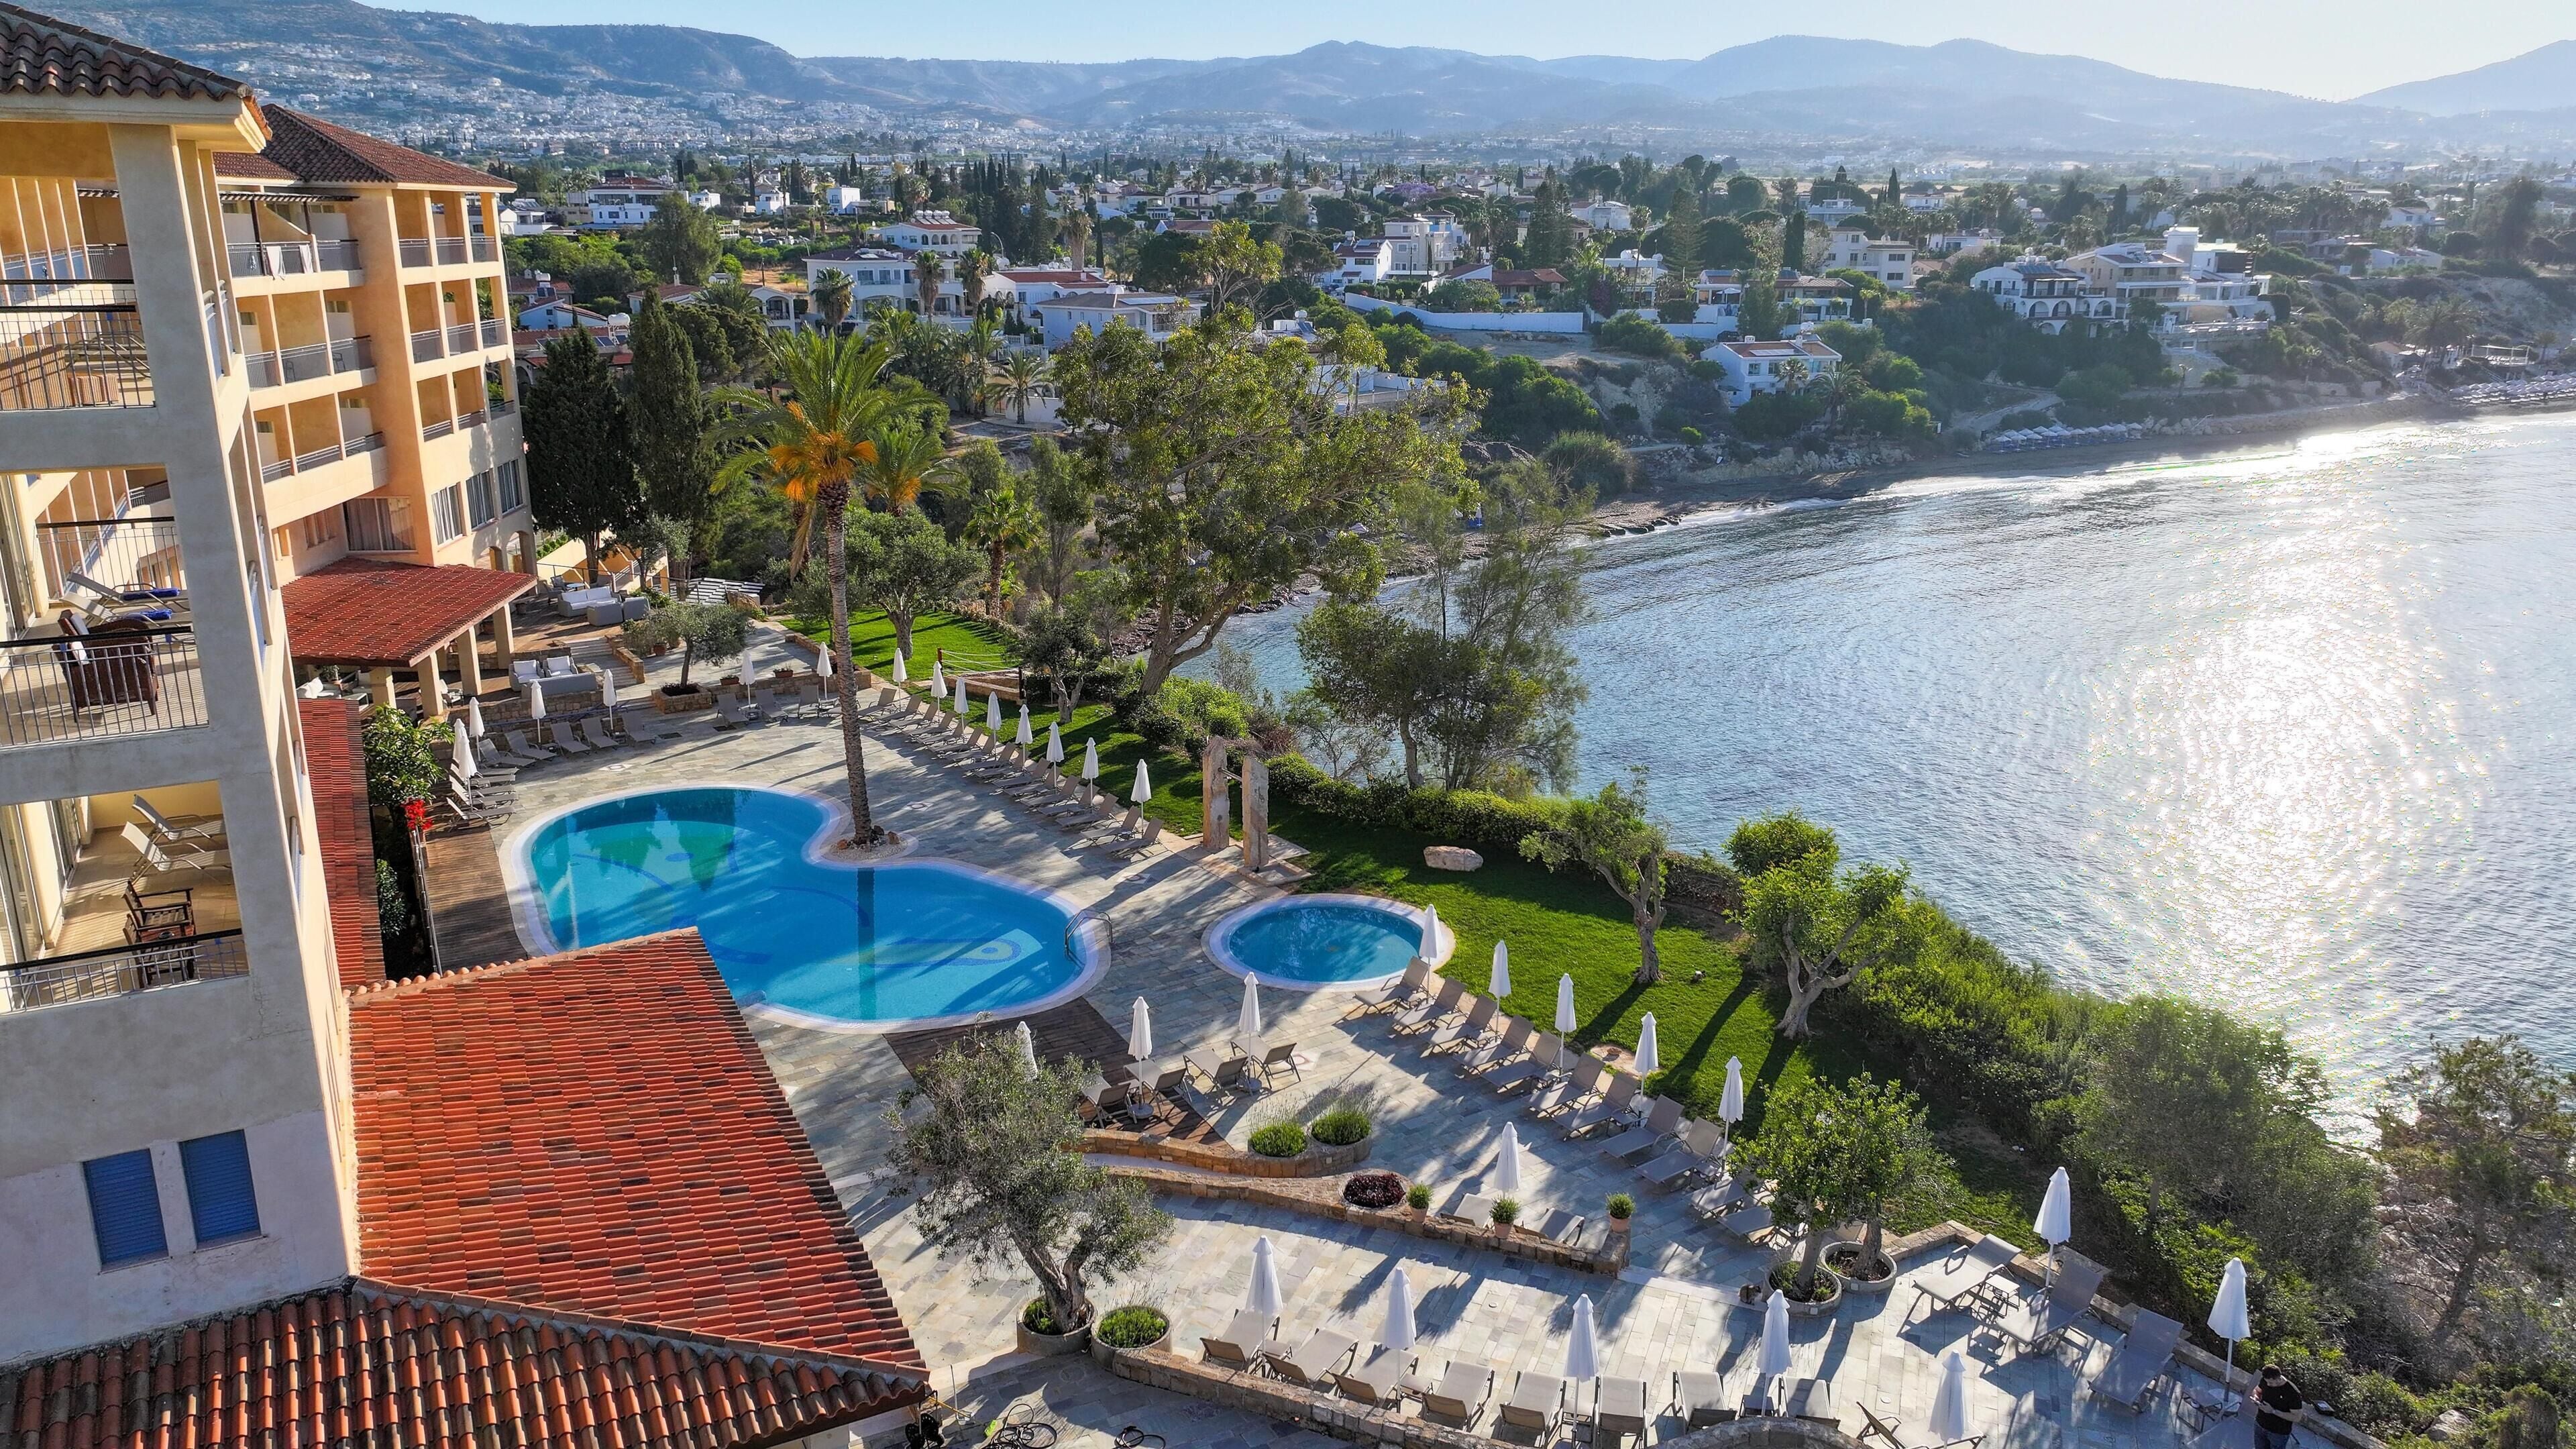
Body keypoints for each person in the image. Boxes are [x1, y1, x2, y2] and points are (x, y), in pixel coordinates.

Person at [2253, 1363, 2306, 1449]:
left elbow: (2297, 1417)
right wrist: (2256, 1397)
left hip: (2278, 1432)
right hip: (2260, 1424)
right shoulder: (2265, 1380)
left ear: (2279, 1378)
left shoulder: (2292, 1393)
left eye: (2271, 1382)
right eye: (2267, 1382)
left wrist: (2273, 1411)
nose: (2268, 1385)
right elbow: (2257, 1390)